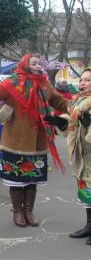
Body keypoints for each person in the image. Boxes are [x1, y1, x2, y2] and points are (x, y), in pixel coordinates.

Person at [0, 53, 68, 228]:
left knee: (32, 179)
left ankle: (29, 210)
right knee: (16, 179)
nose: (37, 66)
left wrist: (79, 106)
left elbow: (59, 102)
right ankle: (18, 212)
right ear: (25, 64)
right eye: (33, 63)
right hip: (15, 141)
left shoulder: (44, 84)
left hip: (38, 141)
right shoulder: (12, 83)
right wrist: (5, 113)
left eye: (39, 63)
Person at [45, 68, 91, 245]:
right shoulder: (77, 102)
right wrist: (62, 123)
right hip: (83, 154)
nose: (82, 83)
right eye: (81, 80)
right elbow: (73, 128)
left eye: (87, 80)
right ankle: (89, 225)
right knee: (86, 191)